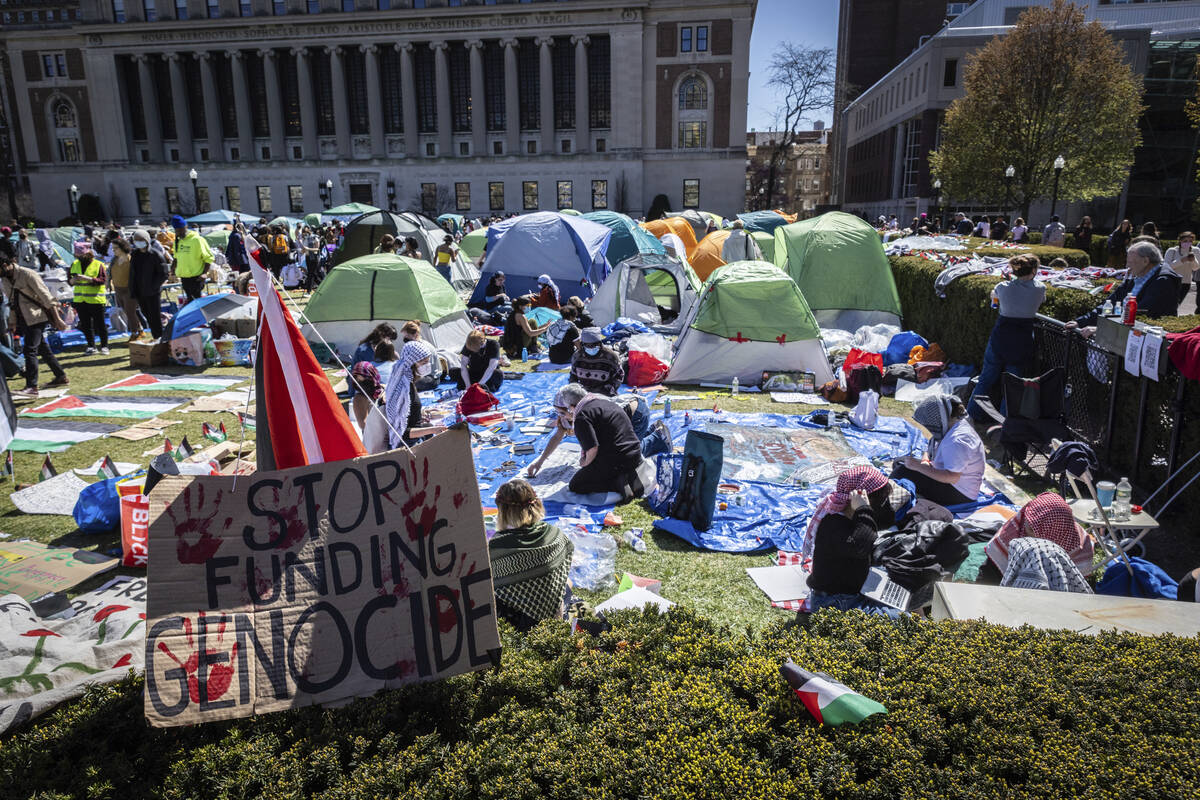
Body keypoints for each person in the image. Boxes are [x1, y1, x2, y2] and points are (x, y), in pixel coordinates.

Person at [803, 466, 901, 619]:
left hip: (850, 594)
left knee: (904, 589)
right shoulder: (833, 524)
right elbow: (861, 546)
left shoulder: (851, 517)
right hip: (834, 603)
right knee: (902, 619)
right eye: (880, 500)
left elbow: (886, 520)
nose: (882, 504)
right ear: (860, 498)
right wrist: (863, 508)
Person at [525, 383, 650, 500]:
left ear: (571, 408)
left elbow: (592, 448)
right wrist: (540, 462)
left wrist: (585, 463)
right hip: (635, 455)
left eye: (563, 412)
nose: (562, 416)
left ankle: (619, 482)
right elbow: (560, 437)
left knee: (577, 485)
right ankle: (627, 475)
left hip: (623, 453)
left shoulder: (582, 416)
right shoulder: (598, 402)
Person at [968, 254, 1047, 422]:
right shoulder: (1040, 288)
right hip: (1022, 339)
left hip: (1001, 337)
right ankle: (1005, 423)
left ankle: (971, 414)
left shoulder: (1001, 287)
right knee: (1012, 385)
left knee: (986, 379)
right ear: (1033, 270)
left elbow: (995, 300)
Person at [488, 479, 574, 631]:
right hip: (556, 609)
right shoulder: (554, 533)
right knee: (568, 581)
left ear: (504, 511)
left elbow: (492, 584)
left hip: (527, 624)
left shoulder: (498, 546)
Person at [979, 492, 1094, 585]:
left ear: (1052, 534)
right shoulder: (1016, 528)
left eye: (1032, 530)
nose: (1025, 527)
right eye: (1027, 521)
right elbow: (990, 571)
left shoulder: (1079, 546)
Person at [891, 395, 985, 506]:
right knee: (900, 462)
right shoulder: (952, 425)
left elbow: (952, 477)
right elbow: (930, 449)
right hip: (949, 480)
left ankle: (888, 503)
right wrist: (925, 462)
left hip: (960, 493)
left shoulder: (957, 440)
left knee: (901, 471)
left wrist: (919, 467)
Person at [1069, 241, 1179, 333]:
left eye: (1130, 262)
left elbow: (1141, 314)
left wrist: (1102, 330)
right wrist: (1081, 322)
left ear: (1145, 261)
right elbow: (1110, 303)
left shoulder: (1163, 281)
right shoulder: (1136, 275)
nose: (1127, 266)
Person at [1, 253, 68, 398]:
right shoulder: (5, 279)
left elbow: (46, 297)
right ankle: (61, 376)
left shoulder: (28, 274)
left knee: (29, 350)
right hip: (23, 318)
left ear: (5, 265)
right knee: (43, 349)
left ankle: (32, 386)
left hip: (37, 316)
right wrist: (12, 322)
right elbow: (11, 303)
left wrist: (57, 319)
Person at [383, 339, 445, 450]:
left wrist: (421, 413)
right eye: (423, 363)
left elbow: (408, 412)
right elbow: (402, 433)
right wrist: (433, 430)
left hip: (415, 438)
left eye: (428, 361)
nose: (427, 365)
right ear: (412, 363)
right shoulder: (403, 390)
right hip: (408, 447)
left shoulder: (407, 381)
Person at [349, 323, 397, 427]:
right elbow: (360, 375)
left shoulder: (385, 352)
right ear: (382, 334)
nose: (390, 341)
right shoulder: (364, 350)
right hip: (364, 386)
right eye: (389, 338)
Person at [69, 242, 108, 355]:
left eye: (81, 255)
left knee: (100, 324)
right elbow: (69, 280)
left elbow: (102, 280)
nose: (79, 257)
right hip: (80, 300)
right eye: (77, 255)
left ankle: (104, 346)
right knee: (86, 325)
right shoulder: (74, 264)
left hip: (95, 299)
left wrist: (88, 279)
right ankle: (91, 346)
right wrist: (72, 281)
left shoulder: (98, 264)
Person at [129, 229, 168, 341]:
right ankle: (156, 336)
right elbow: (133, 273)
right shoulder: (135, 254)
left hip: (152, 292)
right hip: (139, 291)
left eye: (140, 240)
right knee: (146, 315)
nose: (138, 243)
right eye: (136, 240)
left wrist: (154, 287)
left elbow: (164, 273)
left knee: (154, 316)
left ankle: (160, 337)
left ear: (146, 240)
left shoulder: (155, 254)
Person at [172, 215, 213, 304]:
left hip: (196, 277)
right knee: (190, 301)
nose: (179, 232)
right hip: (184, 277)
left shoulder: (197, 240)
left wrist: (204, 273)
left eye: (180, 230)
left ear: (185, 227)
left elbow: (209, 258)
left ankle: (200, 317)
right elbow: (176, 257)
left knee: (196, 302)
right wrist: (172, 269)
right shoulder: (178, 241)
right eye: (177, 230)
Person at [569, 327, 623, 396]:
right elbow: (573, 375)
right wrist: (575, 390)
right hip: (583, 394)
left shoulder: (611, 356)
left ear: (600, 343)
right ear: (582, 344)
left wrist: (610, 389)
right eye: (587, 345)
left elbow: (619, 375)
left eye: (594, 344)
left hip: (605, 394)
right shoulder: (577, 356)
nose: (591, 347)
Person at [107, 238, 142, 340]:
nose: (114, 251)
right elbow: (109, 273)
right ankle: (139, 330)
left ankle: (135, 333)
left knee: (130, 312)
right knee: (127, 312)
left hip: (129, 289)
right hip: (118, 289)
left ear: (122, 247)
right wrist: (108, 283)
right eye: (112, 249)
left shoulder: (131, 259)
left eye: (116, 248)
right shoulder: (114, 260)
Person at [1165, 231, 1198, 304]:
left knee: (1177, 304)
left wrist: (1193, 260)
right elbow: (1167, 267)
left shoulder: (1195, 251)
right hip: (1172, 282)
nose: (1188, 243)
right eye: (1185, 241)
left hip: (1186, 282)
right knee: (1170, 304)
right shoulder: (1172, 251)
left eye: (1190, 241)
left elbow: (1195, 268)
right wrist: (1182, 260)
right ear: (1180, 240)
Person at [300, 226, 323, 293]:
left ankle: (308, 291)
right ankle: (322, 286)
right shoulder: (305, 239)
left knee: (310, 274)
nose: (304, 234)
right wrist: (302, 250)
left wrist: (308, 249)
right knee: (313, 274)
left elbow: (317, 249)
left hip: (314, 257)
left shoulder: (315, 237)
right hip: (307, 257)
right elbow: (304, 249)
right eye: (303, 232)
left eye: (305, 232)